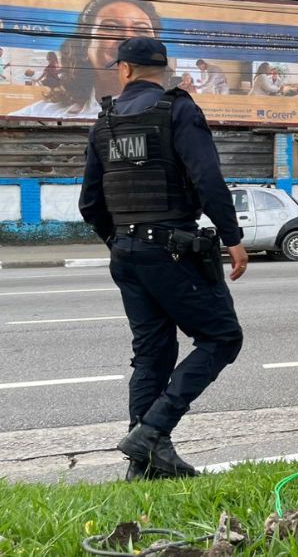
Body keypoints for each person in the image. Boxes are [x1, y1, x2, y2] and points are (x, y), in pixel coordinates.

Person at [78, 37, 250, 481]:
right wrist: (233, 238)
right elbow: (207, 177)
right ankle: (153, 430)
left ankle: (145, 465)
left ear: (126, 70)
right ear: (163, 69)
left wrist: (120, 241)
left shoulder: (106, 122)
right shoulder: (179, 110)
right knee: (223, 337)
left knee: (152, 353)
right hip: (172, 247)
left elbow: (90, 203)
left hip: (126, 252)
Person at [12, 0, 161, 119]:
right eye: (111, 27)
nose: (128, 38)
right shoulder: (44, 115)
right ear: (84, 46)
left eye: (142, 30)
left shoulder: (174, 112)